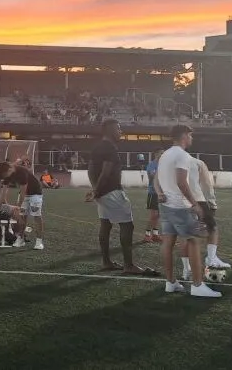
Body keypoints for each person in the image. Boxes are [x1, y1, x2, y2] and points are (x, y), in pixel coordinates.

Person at [156, 125, 221, 298]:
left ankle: (170, 283)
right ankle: (198, 285)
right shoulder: (182, 155)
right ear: (185, 136)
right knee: (193, 241)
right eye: (190, 135)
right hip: (180, 206)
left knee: (168, 243)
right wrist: (195, 204)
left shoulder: (165, 154)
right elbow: (181, 182)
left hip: (166, 205)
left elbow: (159, 179)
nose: (192, 138)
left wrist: (162, 193)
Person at [86, 119, 156, 276]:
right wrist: (96, 190)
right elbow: (106, 172)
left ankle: (106, 262)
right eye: (118, 128)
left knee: (105, 225)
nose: (120, 131)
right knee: (127, 226)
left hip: (102, 193)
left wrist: (95, 190)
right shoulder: (110, 148)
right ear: (110, 131)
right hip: (112, 192)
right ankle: (128, 265)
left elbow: (90, 170)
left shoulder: (97, 147)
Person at [5, 164, 46, 250]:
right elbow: (4, 188)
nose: (5, 175)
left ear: (11, 169)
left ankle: (39, 241)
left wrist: (18, 207)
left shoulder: (22, 172)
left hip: (35, 193)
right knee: (22, 216)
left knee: (36, 216)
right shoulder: (9, 172)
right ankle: (21, 239)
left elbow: (23, 191)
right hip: (25, 194)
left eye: (6, 173)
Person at [144, 150, 163, 243]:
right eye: (161, 153)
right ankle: (147, 235)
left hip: (161, 193)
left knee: (158, 215)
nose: (162, 155)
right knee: (153, 215)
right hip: (153, 193)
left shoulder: (163, 164)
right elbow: (151, 177)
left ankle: (155, 234)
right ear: (156, 154)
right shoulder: (152, 164)